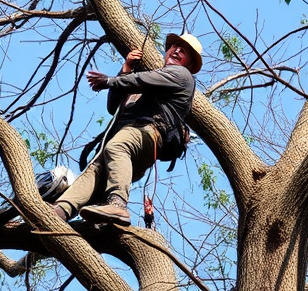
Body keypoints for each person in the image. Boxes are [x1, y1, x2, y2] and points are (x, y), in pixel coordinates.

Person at [51, 32, 203, 226]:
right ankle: (60, 211)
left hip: (146, 133)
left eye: (185, 50)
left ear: (190, 64)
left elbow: (139, 80)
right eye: (175, 46)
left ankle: (117, 205)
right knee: (94, 172)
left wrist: (108, 81)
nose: (178, 50)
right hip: (127, 139)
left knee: (116, 147)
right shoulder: (150, 87)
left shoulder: (182, 75)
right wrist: (126, 68)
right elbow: (114, 106)